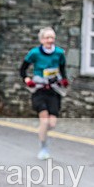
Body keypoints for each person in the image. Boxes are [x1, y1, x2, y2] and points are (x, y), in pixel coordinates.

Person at [19, 27, 69, 160]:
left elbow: (62, 68)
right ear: (41, 40)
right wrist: (27, 79)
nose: (50, 40)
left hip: (53, 89)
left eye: (52, 38)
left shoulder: (59, 53)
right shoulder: (34, 53)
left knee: (51, 124)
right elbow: (23, 69)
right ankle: (43, 147)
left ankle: (42, 132)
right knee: (44, 120)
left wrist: (64, 79)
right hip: (39, 89)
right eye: (47, 38)